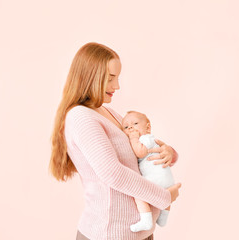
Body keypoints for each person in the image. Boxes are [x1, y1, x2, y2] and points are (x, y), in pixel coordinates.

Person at [49, 42, 182, 240]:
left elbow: (144, 146)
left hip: (139, 234)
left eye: (117, 78)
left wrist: (169, 152)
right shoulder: (81, 117)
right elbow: (113, 173)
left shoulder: (107, 112)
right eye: (110, 78)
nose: (117, 86)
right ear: (90, 77)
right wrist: (164, 198)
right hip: (109, 234)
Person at [121, 111, 176, 232]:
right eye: (126, 127)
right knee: (166, 194)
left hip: (154, 177)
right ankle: (163, 218)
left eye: (135, 123)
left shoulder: (145, 139)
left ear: (148, 127)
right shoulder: (151, 139)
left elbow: (140, 152)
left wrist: (133, 138)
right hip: (165, 177)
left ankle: (146, 220)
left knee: (139, 193)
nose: (130, 127)